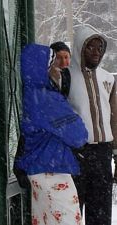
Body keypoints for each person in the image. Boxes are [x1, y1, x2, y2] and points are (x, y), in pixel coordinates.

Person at [17, 43, 88, 225]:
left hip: (38, 170)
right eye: (51, 63)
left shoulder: (30, 95)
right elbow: (79, 135)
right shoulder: (47, 98)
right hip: (54, 169)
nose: (55, 68)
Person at [68, 25, 117, 225]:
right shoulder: (66, 76)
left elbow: (114, 117)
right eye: (90, 47)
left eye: (100, 48)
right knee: (72, 211)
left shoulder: (108, 79)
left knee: (101, 212)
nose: (96, 52)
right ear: (80, 47)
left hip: (103, 153)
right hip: (77, 153)